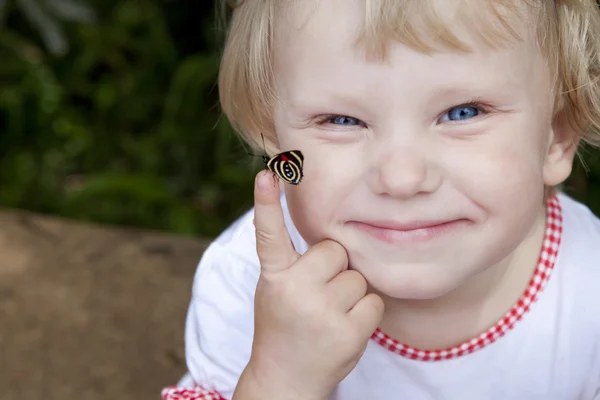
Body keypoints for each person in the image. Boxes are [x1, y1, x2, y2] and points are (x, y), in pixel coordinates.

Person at [162, 0, 600, 399]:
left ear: (556, 136)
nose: (402, 179)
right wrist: (279, 379)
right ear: (276, 141)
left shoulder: (588, 287)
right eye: (342, 120)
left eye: (462, 112)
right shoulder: (250, 284)